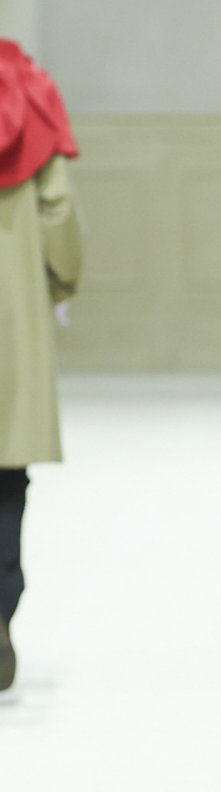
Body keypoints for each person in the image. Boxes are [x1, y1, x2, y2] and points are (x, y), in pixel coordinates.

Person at [0, 41, 83, 690]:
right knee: (6, 479)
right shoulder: (27, 89)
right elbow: (57, 210)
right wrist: (58, 284)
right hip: (10, 319)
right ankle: (1, 611)